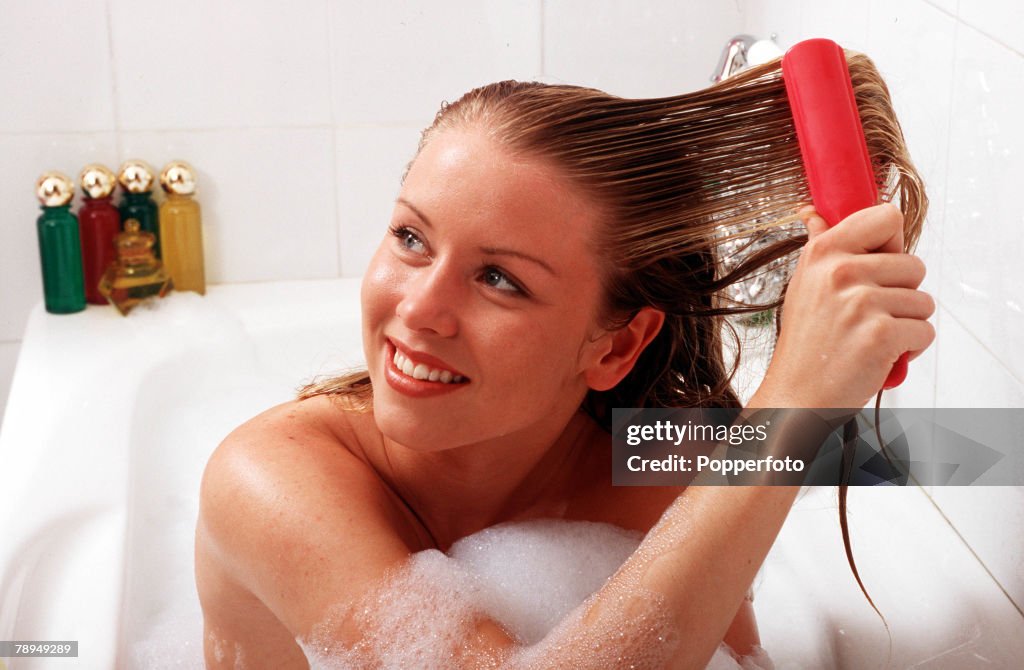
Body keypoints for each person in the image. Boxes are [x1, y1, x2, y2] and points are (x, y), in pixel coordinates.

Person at [195, 77, 934, 668]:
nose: (419, 309)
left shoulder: (665, 466)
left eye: (500, 280)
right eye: (411, 237)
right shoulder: (267, 479)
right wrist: (793, 405)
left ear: (614, 348)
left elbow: (961, 453)